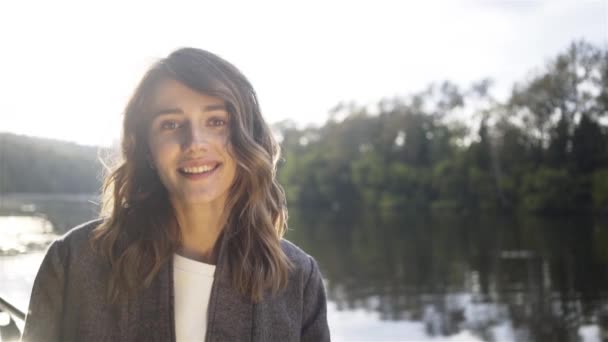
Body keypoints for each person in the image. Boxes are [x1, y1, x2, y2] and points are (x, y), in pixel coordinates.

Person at [21, 48, 330, 341]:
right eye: (170, 124)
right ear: (146, 149)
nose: (194, 142)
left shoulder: (298, 277)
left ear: (247, 138)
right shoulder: (73, 261)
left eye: (216, 121)